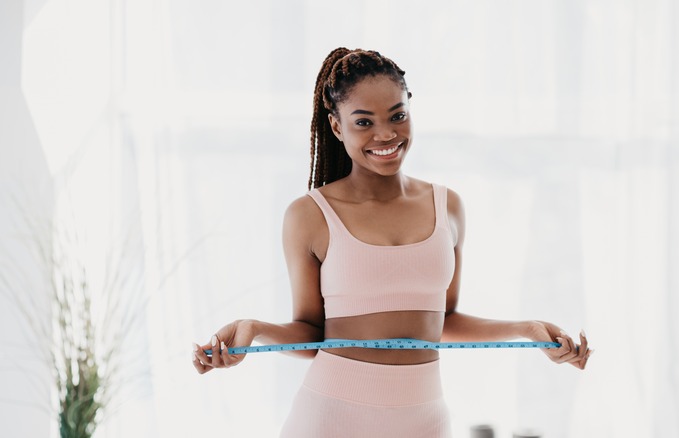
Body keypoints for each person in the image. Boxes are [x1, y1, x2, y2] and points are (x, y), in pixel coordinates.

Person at [192, 47, 592, 437]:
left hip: (424, 419)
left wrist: (528, 328)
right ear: (336, 126)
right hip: (331, 416)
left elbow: (443, 322)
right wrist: (253, 329)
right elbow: (313, 334)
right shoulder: (309, 215)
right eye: (363, 122)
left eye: (397, 116)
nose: (386, 134)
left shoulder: (447, 206)